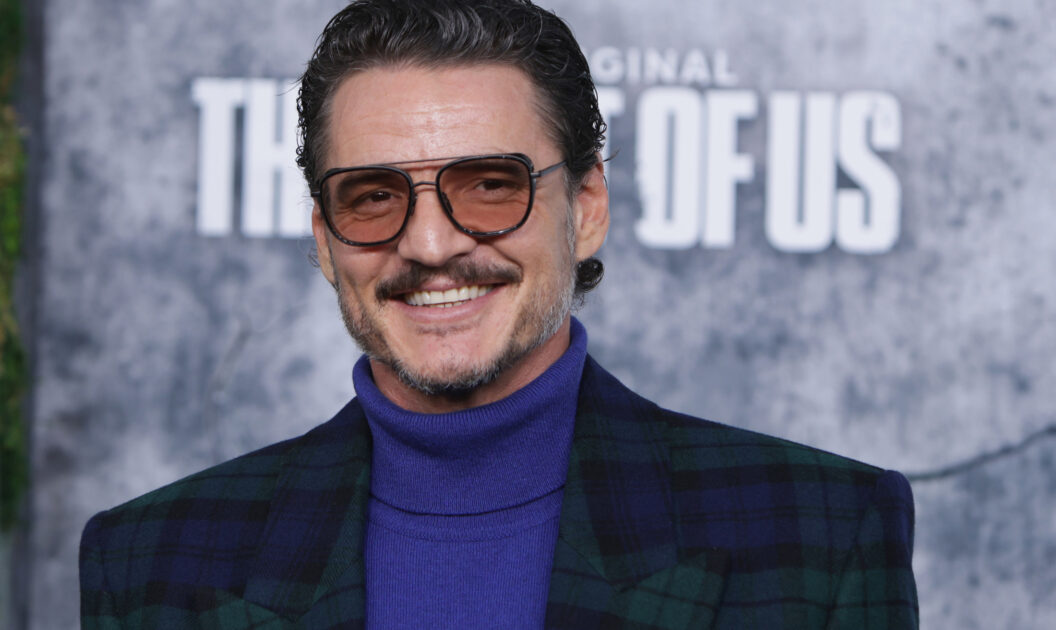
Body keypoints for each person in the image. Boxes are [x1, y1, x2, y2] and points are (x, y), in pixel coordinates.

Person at [79, 1, 918, 628]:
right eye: (373, 197)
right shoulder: (149, 563)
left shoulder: (824, 535)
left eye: (490, 185)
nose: (431, 244)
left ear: (586, 207)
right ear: (326, 239)